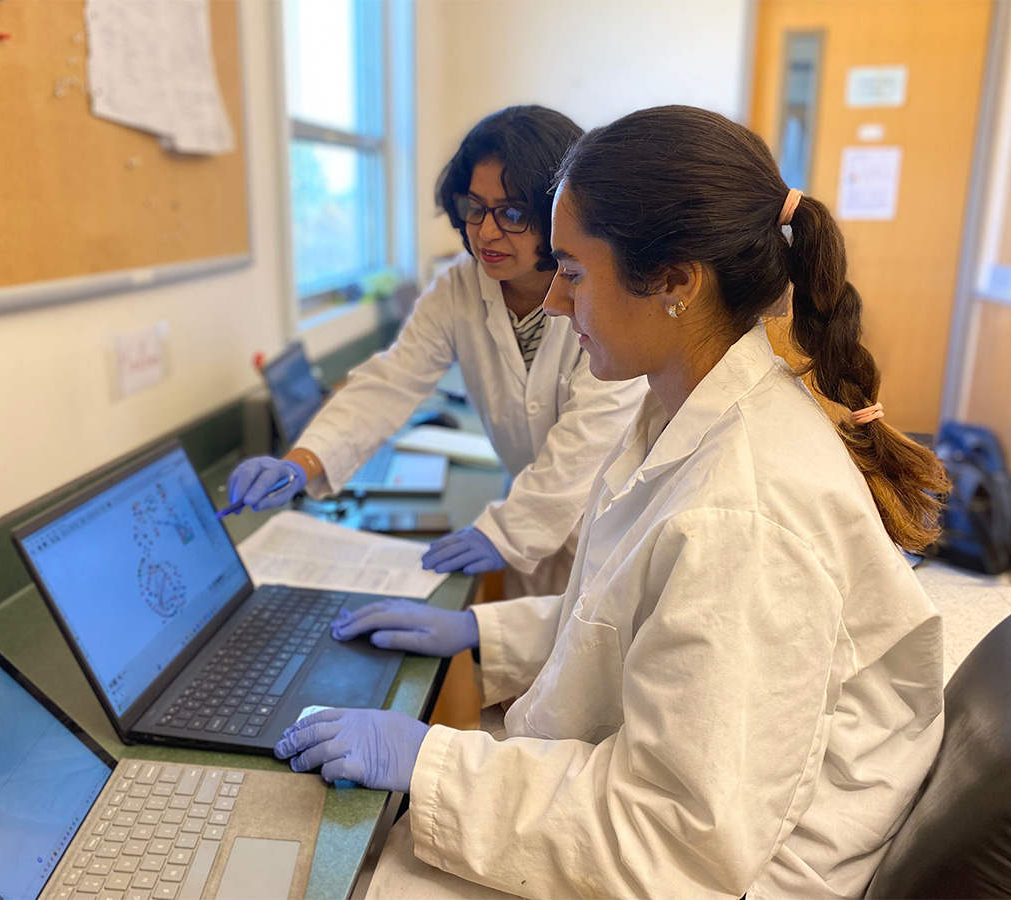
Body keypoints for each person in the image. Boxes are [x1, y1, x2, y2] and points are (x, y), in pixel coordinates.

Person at [274, 106, 950, 899]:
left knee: (339, 871)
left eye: (572, 270)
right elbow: (625, 619)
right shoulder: (690, 408)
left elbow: (673, 842)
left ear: (675, 283)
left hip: (732, 869)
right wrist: (481, 630)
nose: (555, 302)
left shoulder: (742, 515)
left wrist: (428, 762)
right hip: (696, 816)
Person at [225, 106, 647, 596]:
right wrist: (302, 461)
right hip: (539, 533)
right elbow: (392, 381)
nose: (486, 232)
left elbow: (589, 442)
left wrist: (505, 534)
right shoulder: (457, 290)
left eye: (512, 213)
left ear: (558, 212)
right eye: (474, 207)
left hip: (617, 533)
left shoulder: (602, 297)